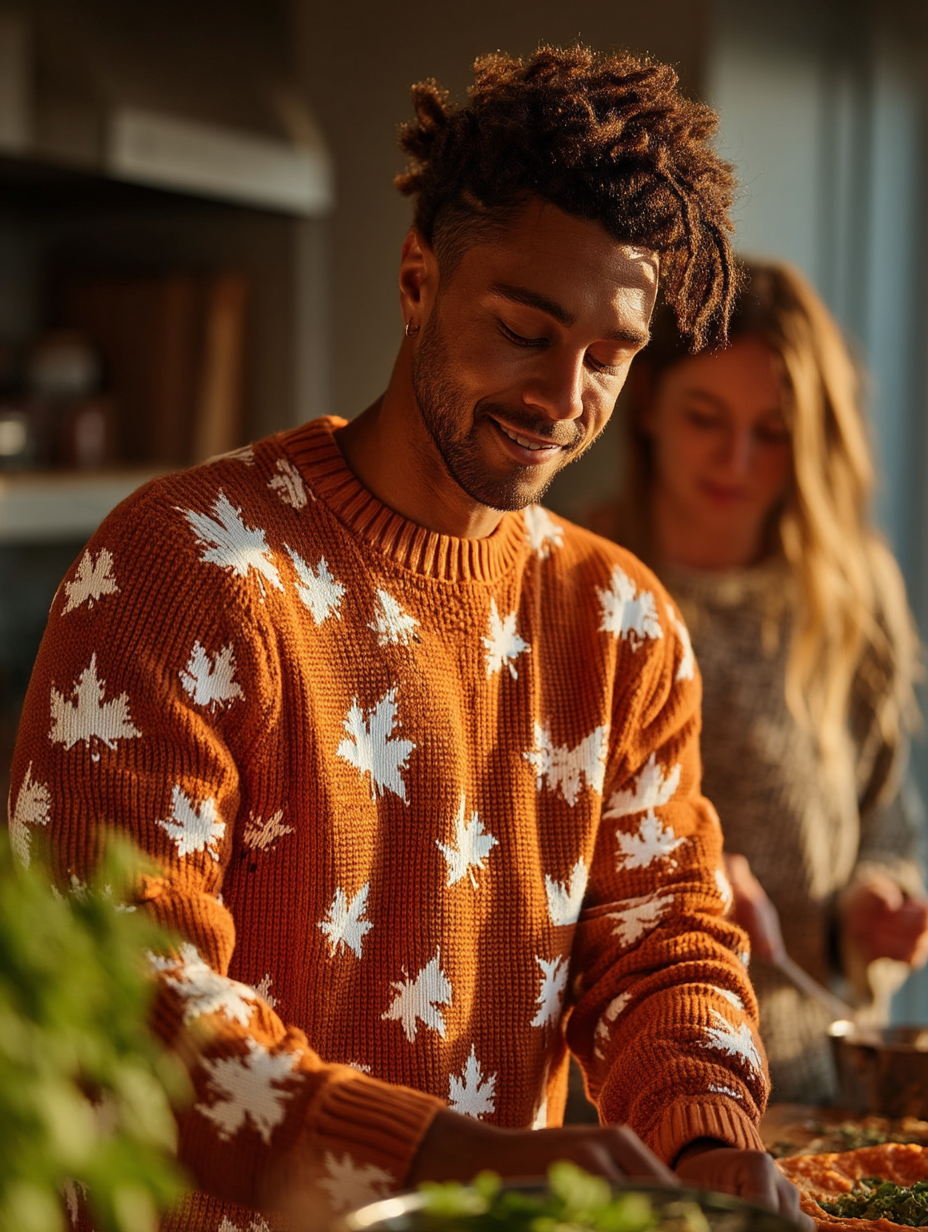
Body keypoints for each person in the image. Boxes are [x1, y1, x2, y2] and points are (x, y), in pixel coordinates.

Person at [8, 48, 806, 1232]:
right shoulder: (186, 567)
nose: (563, 395)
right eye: (526, 329)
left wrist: (707, 1142)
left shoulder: (621, 622)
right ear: (416, 278)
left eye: (610, 355)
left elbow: (663, 946)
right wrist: (456, 1154)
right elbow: (116, 999)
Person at [590, 257, 928, 1106]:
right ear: (650, 411)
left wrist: (874, 905)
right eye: (707, 417)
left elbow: (885, 820)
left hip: (813, 1087)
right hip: (634, 1092)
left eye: (772, 432)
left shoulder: (849, 595)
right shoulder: (583, 582)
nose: (736, 459)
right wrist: (681, 876)